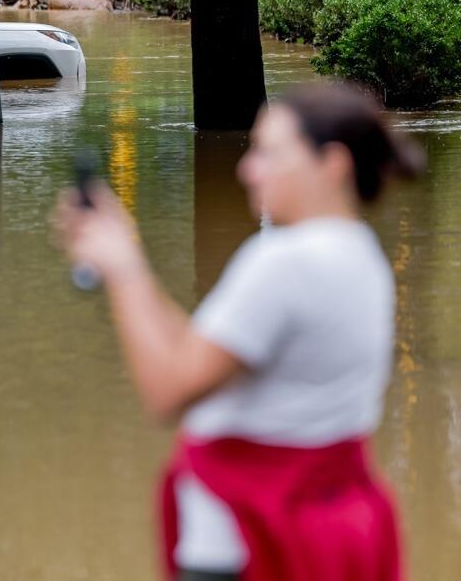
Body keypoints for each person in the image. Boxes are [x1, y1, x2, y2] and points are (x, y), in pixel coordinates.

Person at [55, 83, 425, 581]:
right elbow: (203, 357)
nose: (246, 169)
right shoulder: (359, 255)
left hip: (250, 546)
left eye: (269, 153)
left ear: (331, 165)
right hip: (331, 532)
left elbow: (168, 391)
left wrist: (122, 271)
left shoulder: (284, 262)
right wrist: (132, 255)